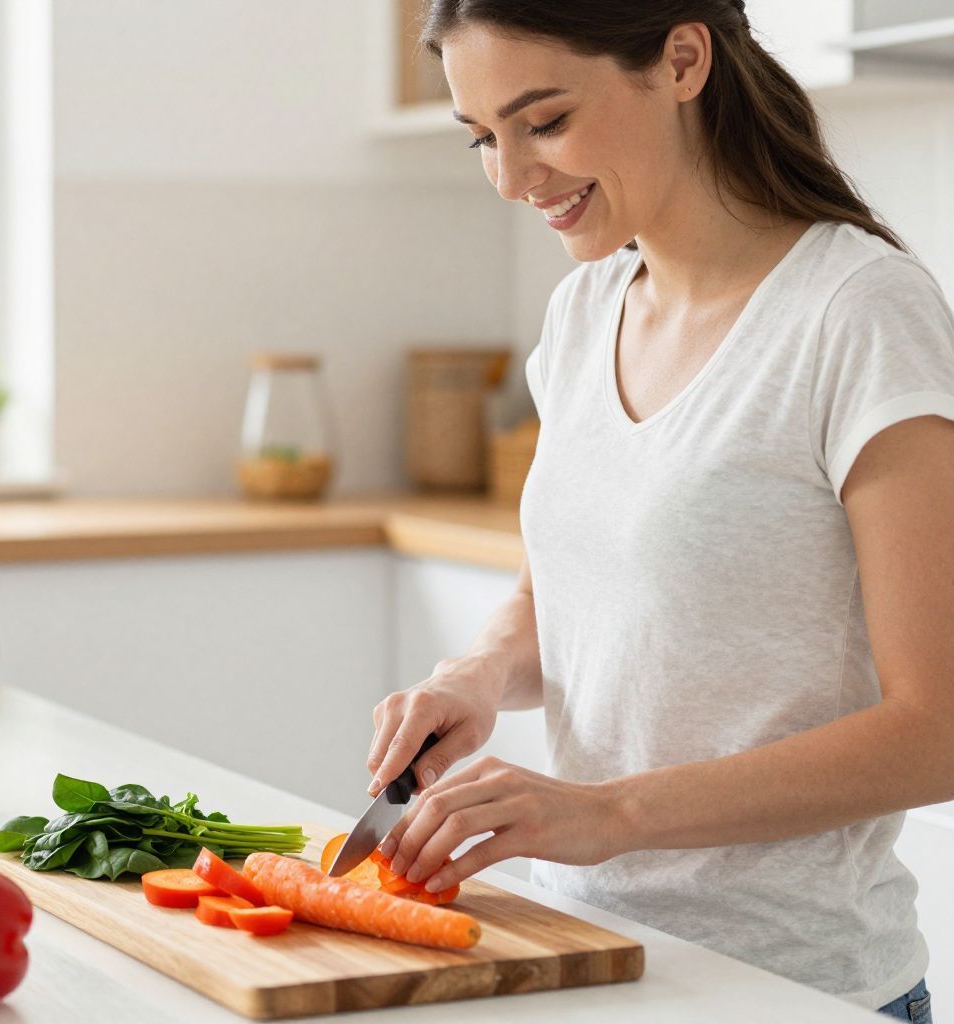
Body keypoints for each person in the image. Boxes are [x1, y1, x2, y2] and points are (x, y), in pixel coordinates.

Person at [364, 2, 950, 1019]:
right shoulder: (588, 308)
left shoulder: (858, 312)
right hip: (590, 960)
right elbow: (570, 594)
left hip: (794, 991)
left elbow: (936, 729)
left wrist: (608, 812)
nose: (510, 177)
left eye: (542, 122)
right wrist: (477, 675)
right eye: (482, 138)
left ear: (682, 59)